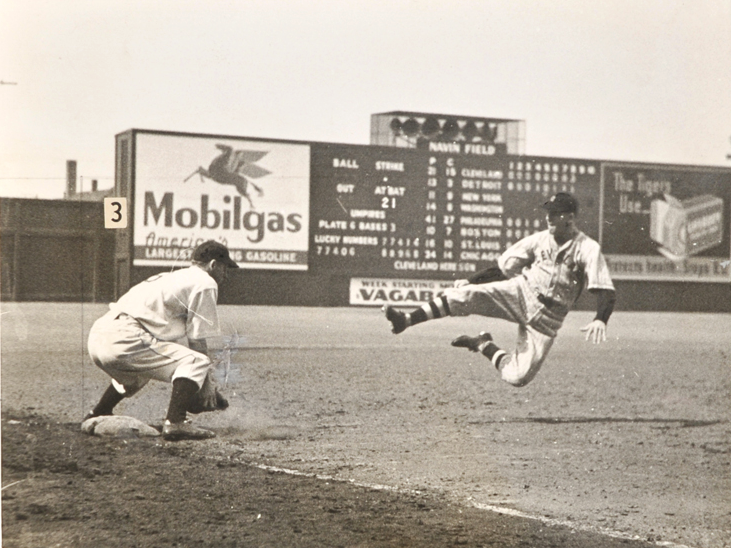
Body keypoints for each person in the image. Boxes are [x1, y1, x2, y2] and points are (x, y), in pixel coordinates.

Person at [384, 192, 616, 387]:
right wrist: (472, 281)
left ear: (570, 217)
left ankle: (482, 344)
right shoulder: (539, 239)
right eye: (548, 212)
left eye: (556, 213)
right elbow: (504, 268)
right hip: (522, 293)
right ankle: (406, 319)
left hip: (549, 318)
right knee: (462, 294)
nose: (549, 217)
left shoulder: (587, 248)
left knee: (517, 377)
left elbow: (605, 289)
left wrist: (600, 319)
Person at [86, 240, 238, 440]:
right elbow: (197, 339)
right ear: (213, 265)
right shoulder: (205, 283)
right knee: (197, 361)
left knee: (138, 373)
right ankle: (176, 422)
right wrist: (206, 385)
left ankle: (99, 412)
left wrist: (196, 385)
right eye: (225, 268)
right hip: (125, 338)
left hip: (100, 335)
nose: (225, 275)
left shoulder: (175, 277)